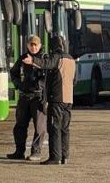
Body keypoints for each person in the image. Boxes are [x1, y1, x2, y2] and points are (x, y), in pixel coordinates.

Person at [24, 36, 76, 165]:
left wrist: (33, 61)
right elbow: (75, 80)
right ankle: (65, 156)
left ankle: (55, 157)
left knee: (54, 127)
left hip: (57, 99)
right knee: (65, 128)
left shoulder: (57, 57)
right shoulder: (71, 59)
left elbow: (47, 64)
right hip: (69, 99)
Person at [7, 35, 47, 160]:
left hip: (38, 97)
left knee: (39, 127)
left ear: (40, 46)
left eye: (35, 45)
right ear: (27, 45)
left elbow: (49, 75)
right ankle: (19, 151)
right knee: (20, 125)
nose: (33, 47)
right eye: (31, 45)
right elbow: (13, 72)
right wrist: (19, 85)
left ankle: (36, 152)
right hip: (24, 97)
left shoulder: (44, 59)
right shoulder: (23, 58)